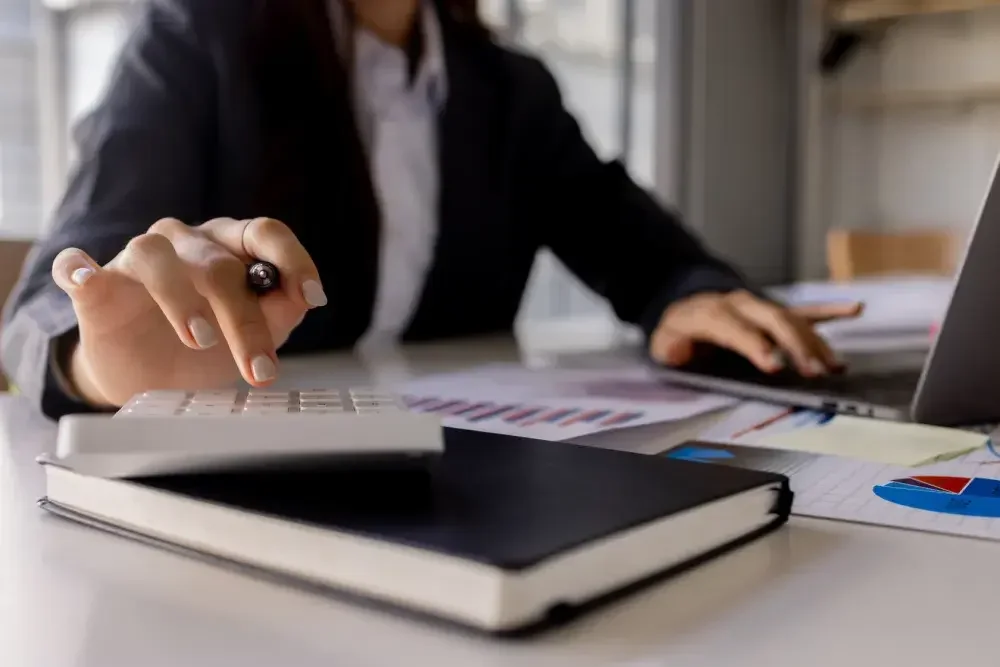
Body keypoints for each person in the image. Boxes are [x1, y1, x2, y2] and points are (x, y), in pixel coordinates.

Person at [1, 0, 860, 420]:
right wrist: (102, 363)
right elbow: (48, 302)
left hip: (457, 475)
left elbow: (647, 251)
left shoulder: (510, 90)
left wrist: (687, 293)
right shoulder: (195, 36)